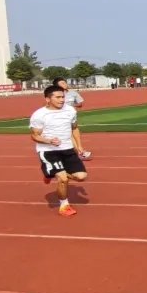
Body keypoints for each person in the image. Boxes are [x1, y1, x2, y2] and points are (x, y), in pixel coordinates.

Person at [31, 85, 90, 216]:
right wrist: (49, 141)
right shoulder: (39, 115)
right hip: (48, 151)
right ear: (48, 99)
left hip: (67, 149)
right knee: (63, 179)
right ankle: (64, 206)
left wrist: (79, 146)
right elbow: (34, 136)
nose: (62, 100)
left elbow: (74, 128)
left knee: (81, 177)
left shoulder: (70, 110)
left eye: (63, 97)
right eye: (58, 97)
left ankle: (50, 173)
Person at [52, 77, 92, 160]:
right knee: (69, 133)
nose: (65, 84)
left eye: (65, 82)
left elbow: (80, 104)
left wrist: (72, 105)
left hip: (72, 115)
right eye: (62, 83)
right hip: (61, 117)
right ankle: (79, 152)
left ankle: (78, 149)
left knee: (75, 131)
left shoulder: (73, 93)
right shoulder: (55, 94)